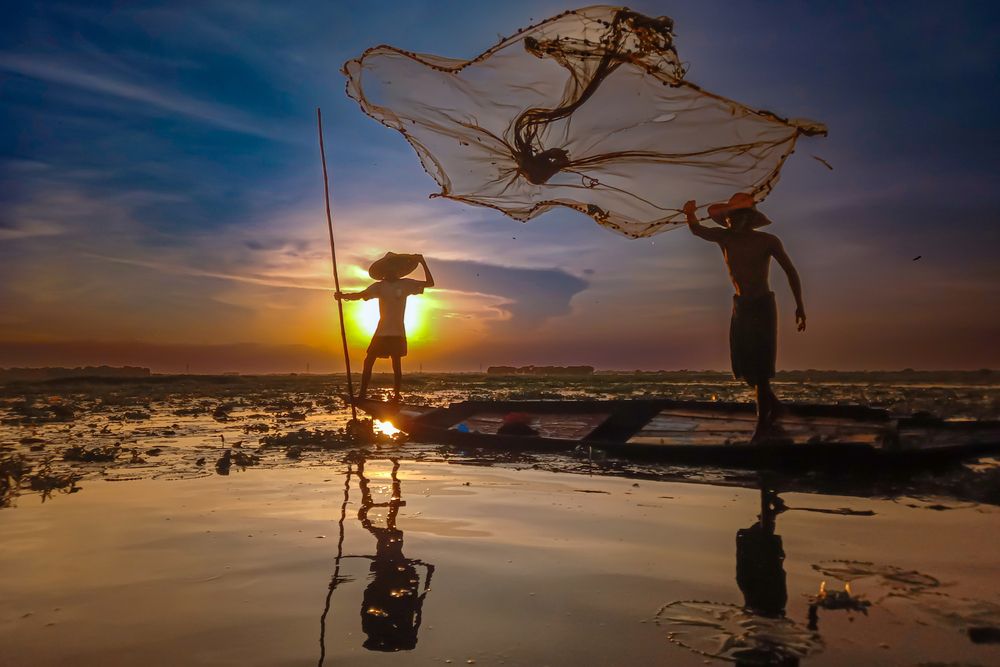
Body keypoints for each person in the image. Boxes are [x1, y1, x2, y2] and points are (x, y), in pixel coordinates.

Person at [683, 194, 805, 442]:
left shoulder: (767, 241)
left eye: (736, 216)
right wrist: (689, 213)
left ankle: (762, 426)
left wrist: (799, 306)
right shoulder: (725, 238)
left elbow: (790, 270)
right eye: (728, 217)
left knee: (760, 369)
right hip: (741, 306)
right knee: (743, 366)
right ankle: (775, 407)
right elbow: (697, 230)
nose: (730, 221)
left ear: (749, 219)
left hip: (762, 305)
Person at [336, 252, 433, 400]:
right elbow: (361, 295)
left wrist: (423, 262)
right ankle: (362, 394)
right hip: (381, 332)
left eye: (393, 267)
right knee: (368, 361)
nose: (391, 271)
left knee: (396, 365)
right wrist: (343, 296)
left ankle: (396, 395)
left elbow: (430, 283)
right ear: (384, 271)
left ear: (397, 269)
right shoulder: (379, 287)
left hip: (398, 332)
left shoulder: (406, 284)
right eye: (388, 268)